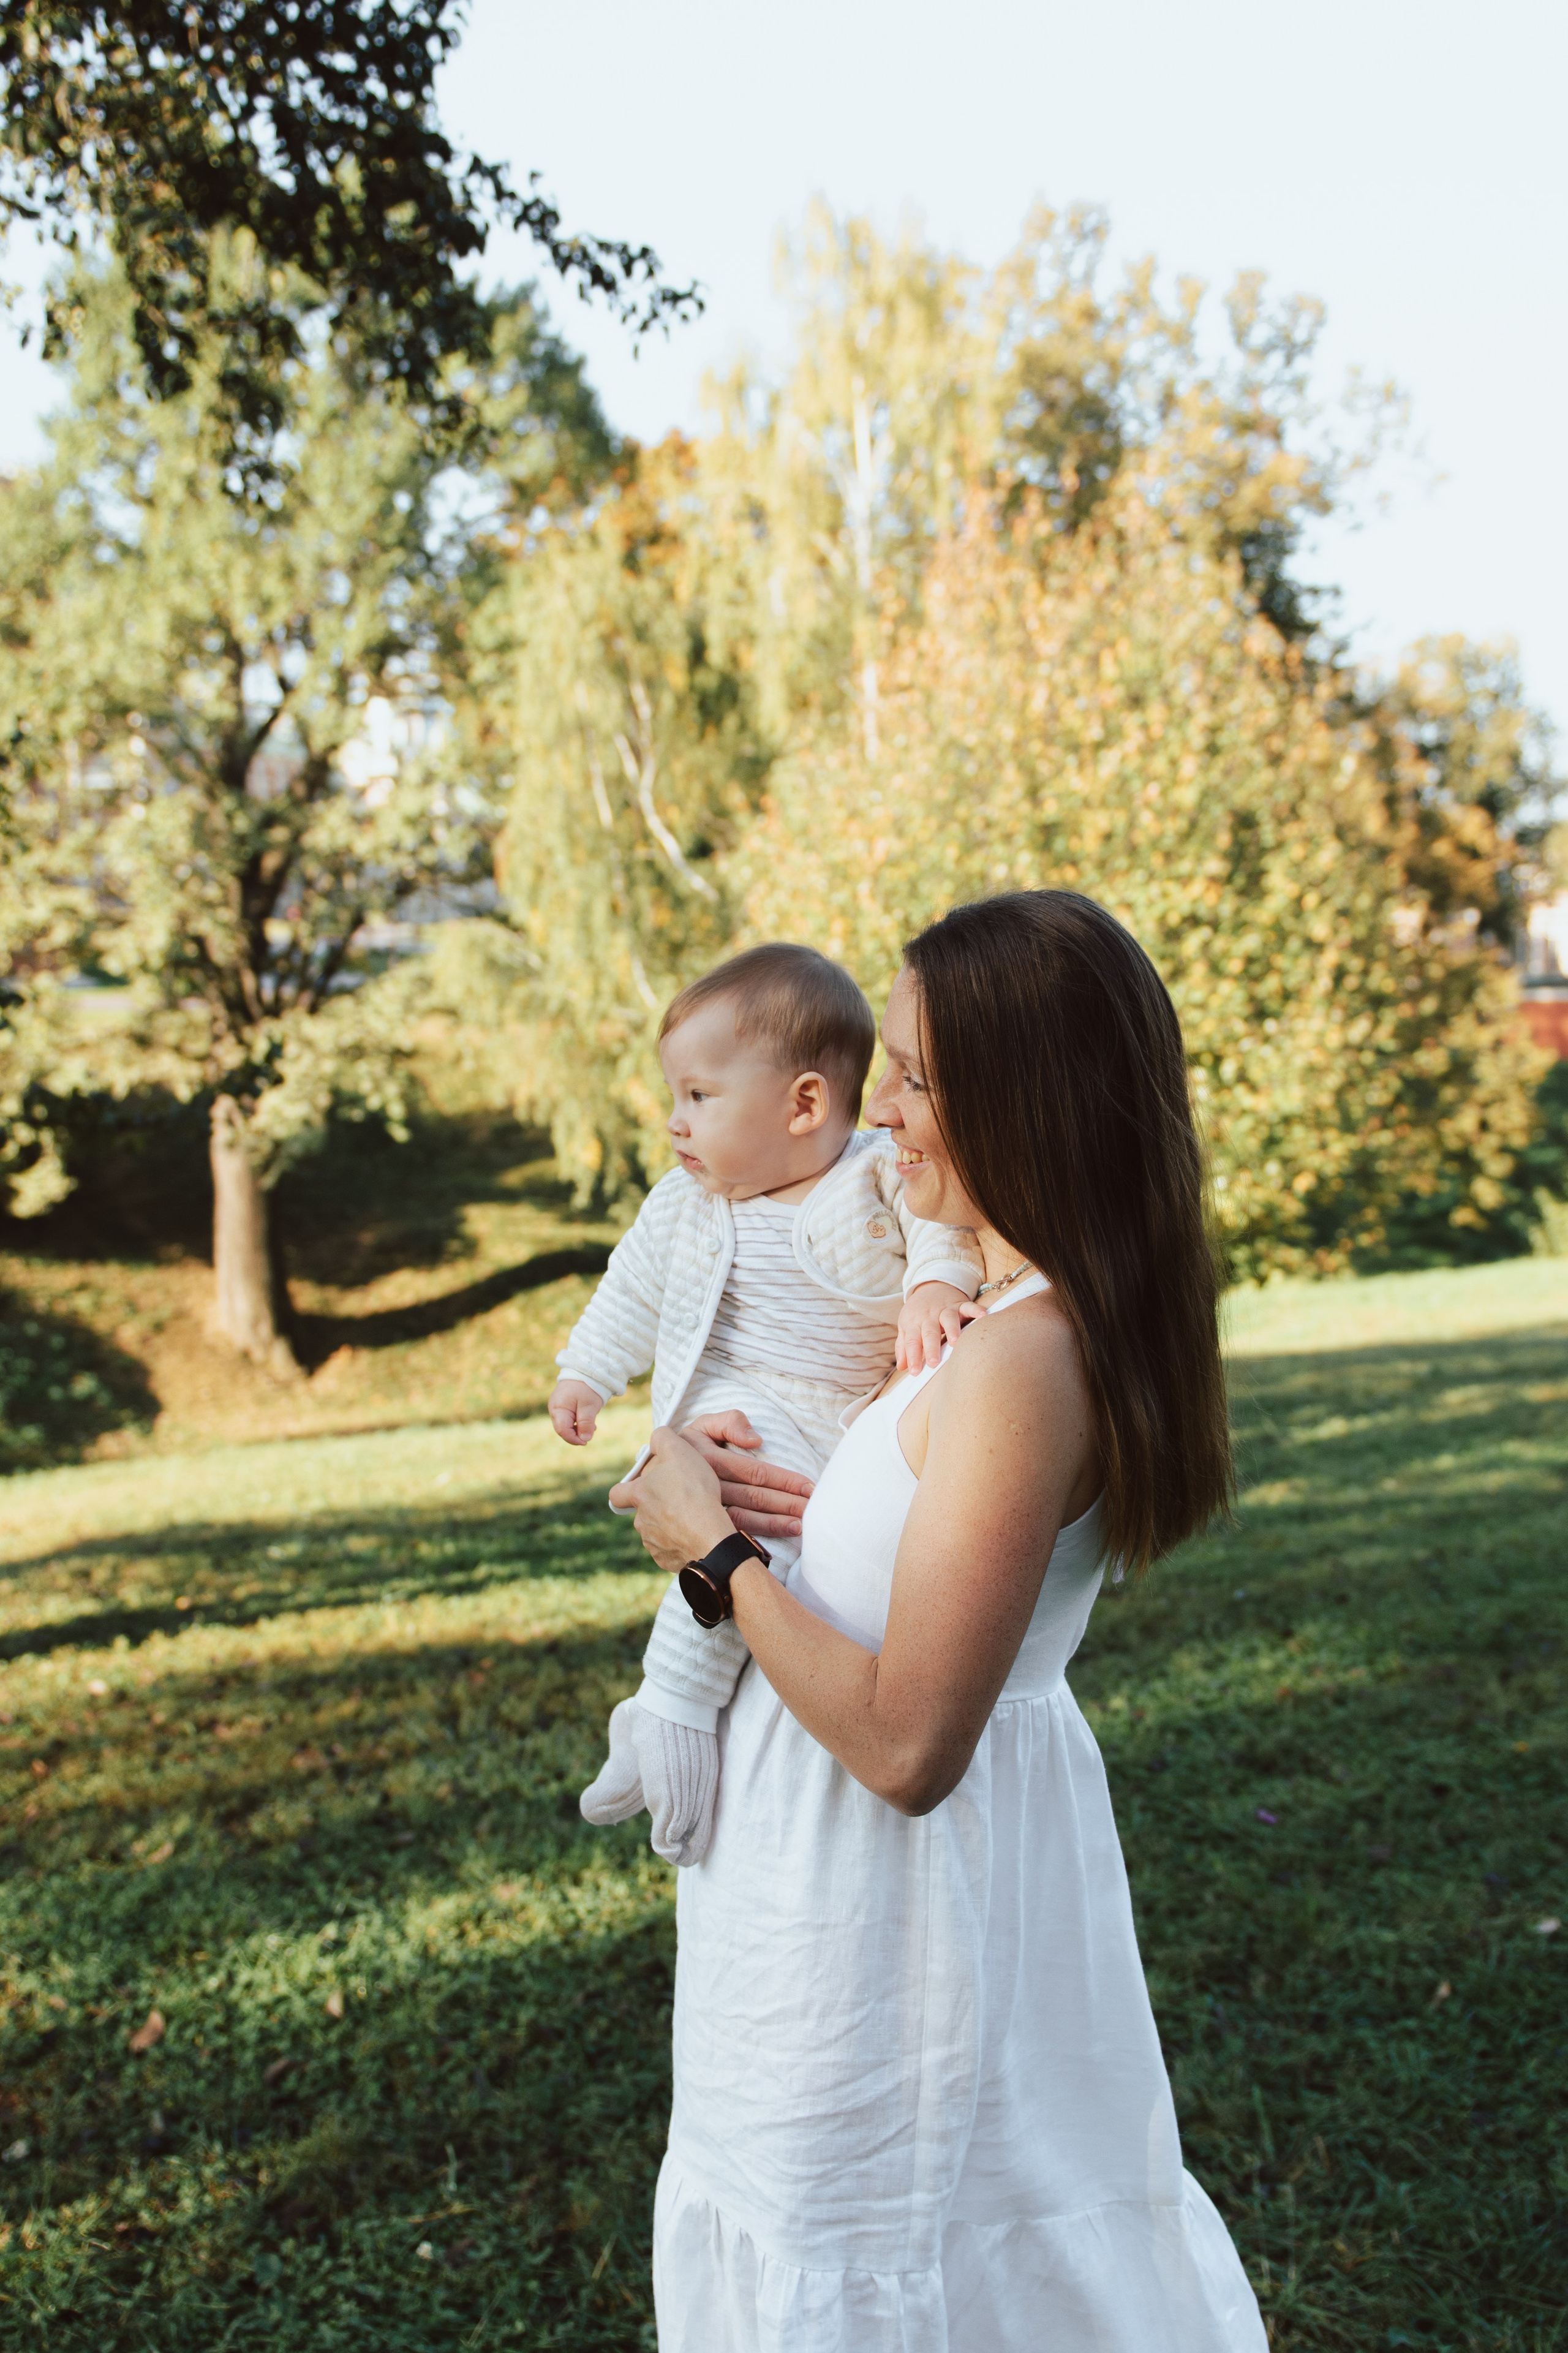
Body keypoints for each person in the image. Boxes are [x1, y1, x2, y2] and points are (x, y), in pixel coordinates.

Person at [611, 891, 1267, 2351]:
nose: (876, 1107)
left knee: (887, 2269)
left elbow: (910, 1742)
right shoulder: (1007, 1319)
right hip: (831, 1893)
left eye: (910, 1073)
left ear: (1021, 1098)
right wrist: (783, 1488)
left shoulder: (1025, 1363)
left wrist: (709, 1552)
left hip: (889, 1907)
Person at [549, 942, 984, 1865]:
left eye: (699, 1098)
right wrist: (587, 1372)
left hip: (839, 1416)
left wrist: (931, 1290)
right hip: (738, 1406)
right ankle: (672, 1707)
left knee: (753, 1538)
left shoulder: (873, 1174)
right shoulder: (684, 1203)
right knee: (736, 1500)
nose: (676, 1124)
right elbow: (631, 1291)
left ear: (805, 1104)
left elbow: (938, 1230)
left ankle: (669, 1708)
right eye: (677, 1099)